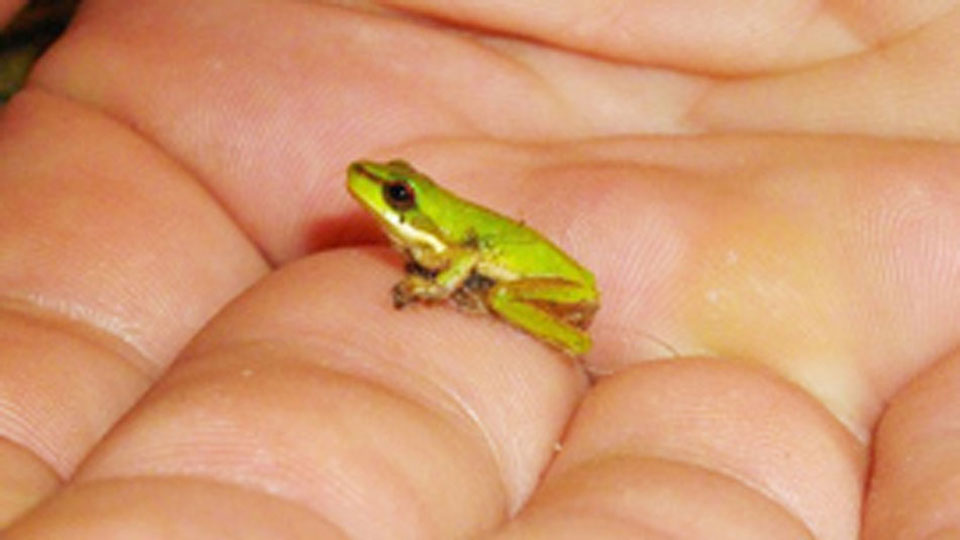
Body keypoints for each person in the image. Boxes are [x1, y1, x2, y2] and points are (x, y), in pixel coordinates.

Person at [0, 1, 957, 537]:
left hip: (546, 282)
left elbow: (457, 259)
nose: (379, 197)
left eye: (396, 197)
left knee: (485, 286)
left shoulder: (439, 240)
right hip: (508, 248)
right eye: (392, 194)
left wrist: (437, 280)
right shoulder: (415, 216)